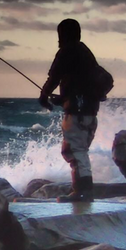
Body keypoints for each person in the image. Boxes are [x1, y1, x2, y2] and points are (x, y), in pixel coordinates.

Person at [38, 19, 101, 203]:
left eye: (60, 34)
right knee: (76, 150)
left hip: (77, 113)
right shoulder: (86, 53)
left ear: (64, 35)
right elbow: (81, 85)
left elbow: (54, 77)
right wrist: (63, 99)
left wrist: (44, 96)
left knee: (75, 151)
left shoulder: (67, 52)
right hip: (89, 112)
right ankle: (83, 191)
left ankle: (82, 192)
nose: (58, 39)